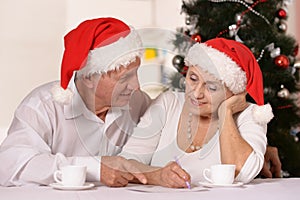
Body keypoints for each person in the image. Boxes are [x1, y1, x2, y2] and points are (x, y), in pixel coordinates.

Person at [0, 17, 151, 187]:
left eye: (136, 73)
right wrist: (94, 168)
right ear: (87, 78)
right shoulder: (42, 107)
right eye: (125, 78)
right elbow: (8, 165)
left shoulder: (137, 102)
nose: (136, 86)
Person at [118, 38, 274, 187]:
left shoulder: (250, 115)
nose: (197, 93)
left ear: (234, 92)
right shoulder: (168, 103)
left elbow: (243, 173)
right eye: (193, 79)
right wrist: (157, 176)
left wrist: (225, 112)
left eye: (212, 87)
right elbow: (124, 164)